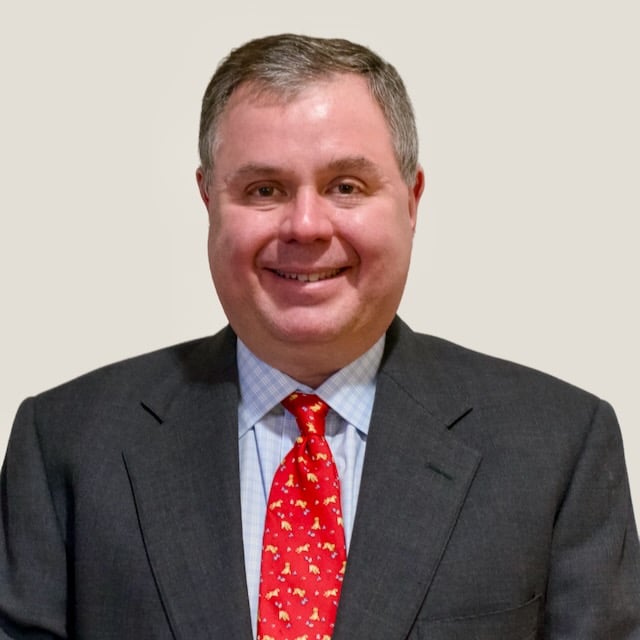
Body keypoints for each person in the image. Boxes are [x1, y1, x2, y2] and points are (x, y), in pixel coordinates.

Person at [1, 33, 638, 640]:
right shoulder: (67, 444)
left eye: (346, 186)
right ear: (208, 201)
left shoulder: (559, 448)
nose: (305, 225)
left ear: (412, 201)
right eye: (264, 189)